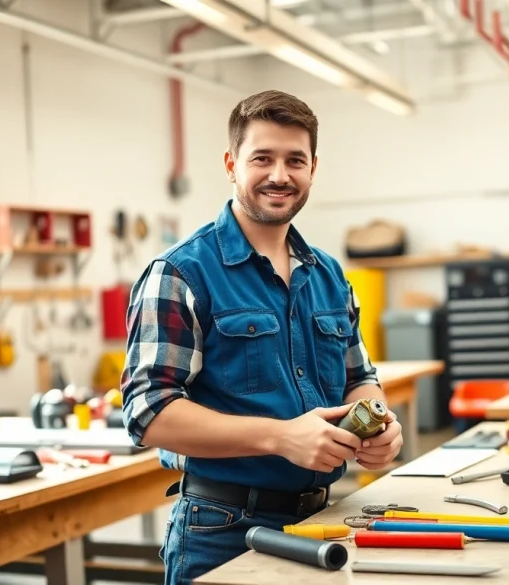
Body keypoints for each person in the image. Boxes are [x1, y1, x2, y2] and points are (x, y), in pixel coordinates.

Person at [120, 89, 402, 583]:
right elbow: (148, 411)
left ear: (313, 167)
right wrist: (281, 437)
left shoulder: (329, 274)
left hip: (323, 523)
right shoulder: (182, 272)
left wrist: (379, 425)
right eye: (262, 158)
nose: (280, 175)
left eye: (295, 160)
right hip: (223, 530)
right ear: (231, 164)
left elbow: (360, 377)